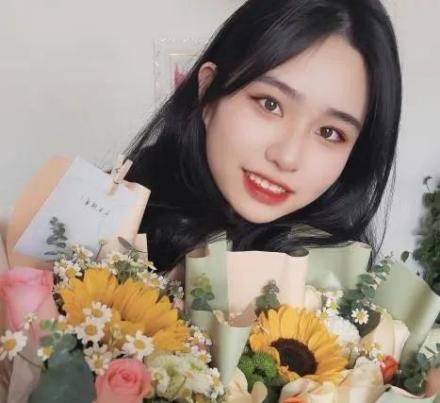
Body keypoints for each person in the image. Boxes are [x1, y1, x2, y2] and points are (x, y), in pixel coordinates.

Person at [124, 0, 402, 272]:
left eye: (329, 133)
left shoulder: (341, 286)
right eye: (270, 104)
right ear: (208, 91)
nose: (287, 157)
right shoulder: (113, 222)